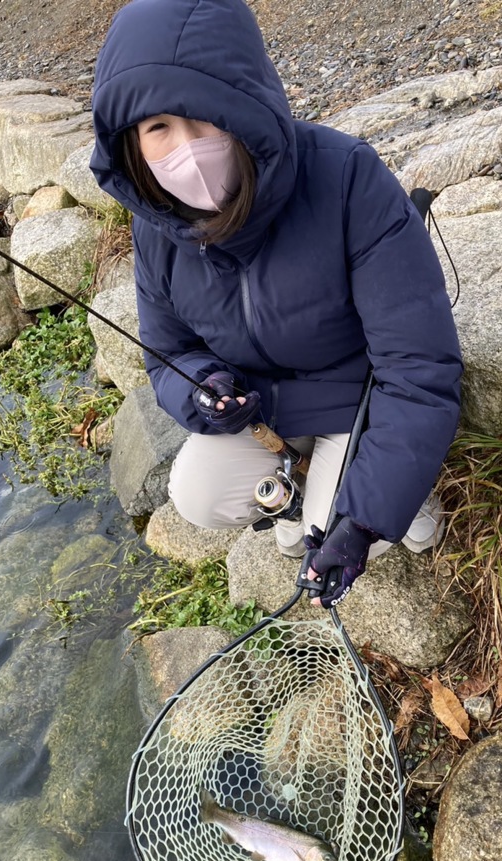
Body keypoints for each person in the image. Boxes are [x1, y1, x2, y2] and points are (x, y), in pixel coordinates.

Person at [90, 0, 462, 608]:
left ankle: (399, 497)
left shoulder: (349, 178)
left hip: (356, 400)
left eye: (201, 119)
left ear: (242, 110)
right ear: (133, 143)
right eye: (158, 128)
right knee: (196, 493)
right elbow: (168, 354)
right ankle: (306, 491)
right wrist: (204, 389)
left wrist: (362, 523)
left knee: (342, 528)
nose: (185, 150)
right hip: (265, 413)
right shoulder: (155, 226)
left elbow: (419, 369)